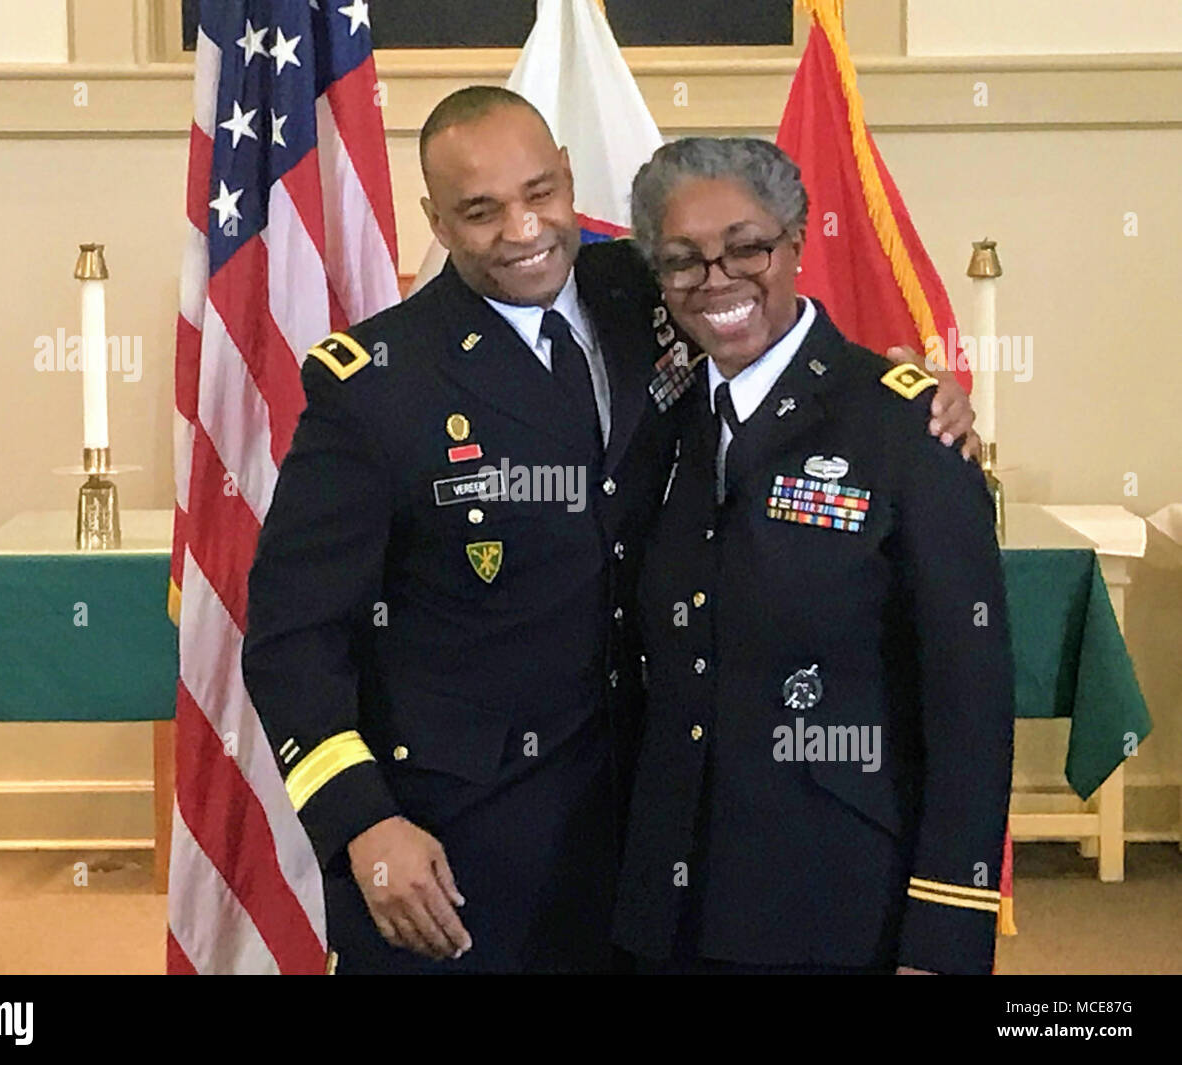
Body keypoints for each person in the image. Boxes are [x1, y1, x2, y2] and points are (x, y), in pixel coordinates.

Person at [242, 88, 979, 974]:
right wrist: (360, 820)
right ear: (435, 219)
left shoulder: (644, 293)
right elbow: (291, 640)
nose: (524, 230)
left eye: (541, 191)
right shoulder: (376, 389)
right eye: (481, 212)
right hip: (462, 848)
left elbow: (768, 334)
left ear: (567, 174)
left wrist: (902, 396)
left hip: (649, 844)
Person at [611, 137, 1014, 975]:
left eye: (747, 247)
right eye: (683, 259)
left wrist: (945, 933)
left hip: (835, 905)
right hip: (667, 907)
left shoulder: (904, 429)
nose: (717, 278)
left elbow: (969, 708)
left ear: (795, 242)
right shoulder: (656, 424)